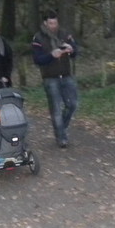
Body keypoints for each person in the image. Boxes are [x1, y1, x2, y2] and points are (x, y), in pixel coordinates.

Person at [32, 10, 78, 148]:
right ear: (45, 23)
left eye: (55, 23)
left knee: (72, 104)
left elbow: (75, 51)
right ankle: (61, 138)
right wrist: (51, 55)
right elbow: (37, 60)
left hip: (66, 75)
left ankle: (60, 129)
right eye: (51, 23)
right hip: (50, 77)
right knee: (56, 109)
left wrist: (71, 49)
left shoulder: (65, 34)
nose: (54, 26)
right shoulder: (38, 38)